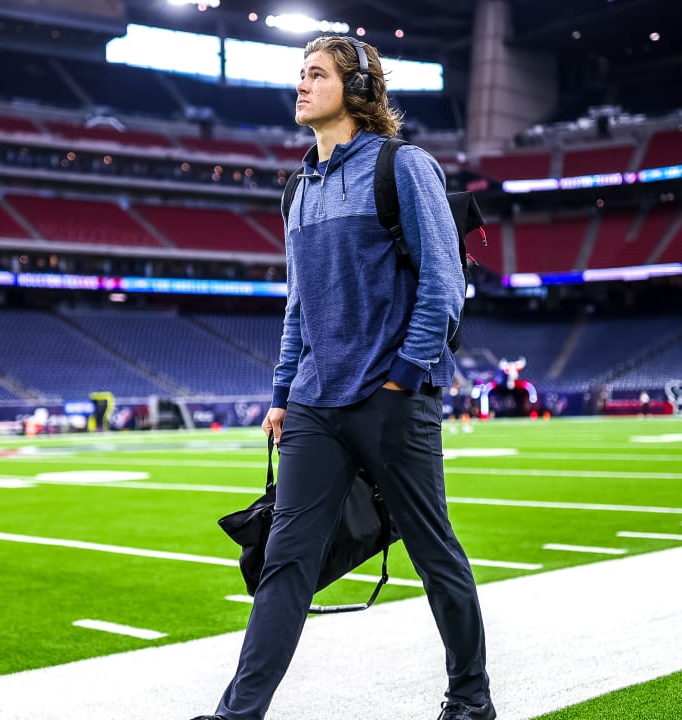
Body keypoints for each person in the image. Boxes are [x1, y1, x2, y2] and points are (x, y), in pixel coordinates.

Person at [192, 36, 494, 720]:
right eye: (300, 74)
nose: (301, 86)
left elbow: (445, 284)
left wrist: (401, 381)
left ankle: (472, 699)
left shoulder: (403, 166)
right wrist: (280, 395)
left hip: (394, 400)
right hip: (314, 407)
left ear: (357, 88)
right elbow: (299, 303)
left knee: (433, 549)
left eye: (317, 74)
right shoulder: (298, 187)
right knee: (285, 564)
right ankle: (237, 715)